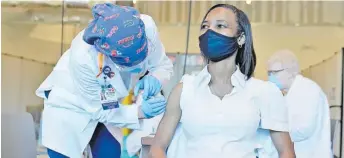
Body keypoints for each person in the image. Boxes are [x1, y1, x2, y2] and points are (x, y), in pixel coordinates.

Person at [149, 4, 295, 158]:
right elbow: (157, 148)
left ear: (241, 38)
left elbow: (286, 152)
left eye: (220, 26)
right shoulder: (184, 90)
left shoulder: (263, 92)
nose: (209, 31)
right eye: (205, 26)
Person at [35, 3, 173, 158]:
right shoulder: (83, 57)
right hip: (70, 107)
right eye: (128, 64)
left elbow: (162, 65)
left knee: (109, 152)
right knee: (64, 151)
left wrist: (155, 78)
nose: (137, 68)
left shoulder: (147, 26)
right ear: (108, 53)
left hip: (108, 105)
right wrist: (140, 112)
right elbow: (100, 110)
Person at [263, 49, 332, 158]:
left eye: (274, 72)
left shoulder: (307, 89)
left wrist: (270, 130)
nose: (270, 77)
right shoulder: (289, 94)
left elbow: (302, 130)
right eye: (268, 73)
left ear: (290, 71)